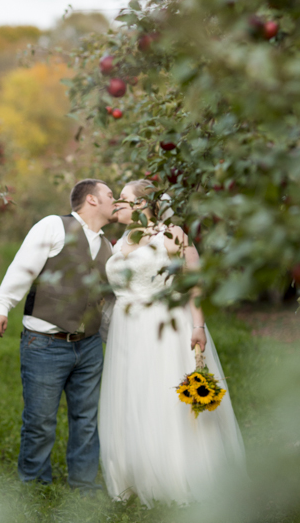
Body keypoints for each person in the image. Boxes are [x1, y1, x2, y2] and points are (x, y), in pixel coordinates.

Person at [99, 180, 246, 506]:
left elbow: (195, 283)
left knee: (163, 397)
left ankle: (179, 474)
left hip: (163, 327)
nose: (118, 204)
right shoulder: (120, 240)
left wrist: (198, 326)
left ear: (143, 204)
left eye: (123, 199)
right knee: (133, 397)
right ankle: (136, 476)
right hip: (126, 331)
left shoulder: (171, 235)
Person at [0, 179, 116, 491]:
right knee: (40, 421)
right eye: (111, 195)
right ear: (92, 199)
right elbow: (24, 267)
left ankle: (84, 485)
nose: (116, 200)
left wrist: (112, 339)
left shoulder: (108, 246)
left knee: (85, 420)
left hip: (88, 347)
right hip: (45, 343)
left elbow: (107, 300)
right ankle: (34, 483)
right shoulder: (54, 226)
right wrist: (1, 305)